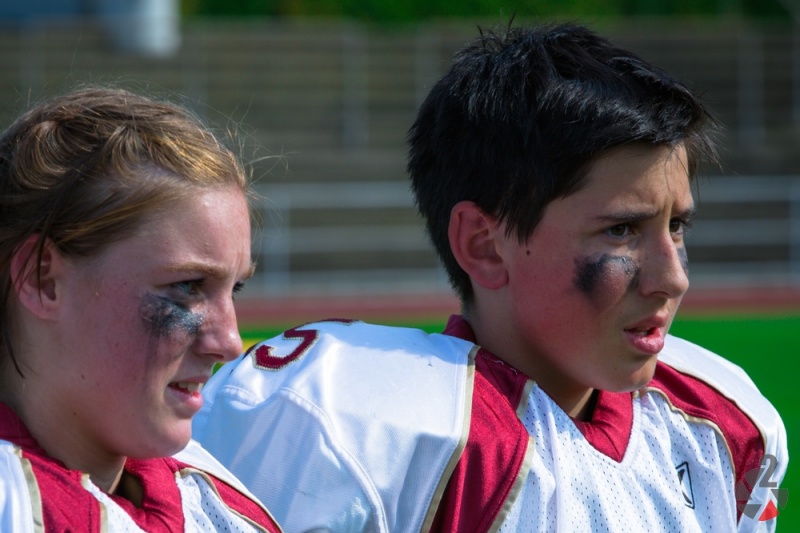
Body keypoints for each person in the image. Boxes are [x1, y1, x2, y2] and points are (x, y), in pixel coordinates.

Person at [193, 23, 787, 532]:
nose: (672, 277)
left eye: (676, 226)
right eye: (622, 231)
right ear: (485, 245)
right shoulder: (348, 426)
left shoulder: (719, 423)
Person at [0, 87, 282, 531]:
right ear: (43, 280)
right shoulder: (15, 505)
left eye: (236, 288)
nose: (229, 343)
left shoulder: (214, 502)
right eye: (187, 286)